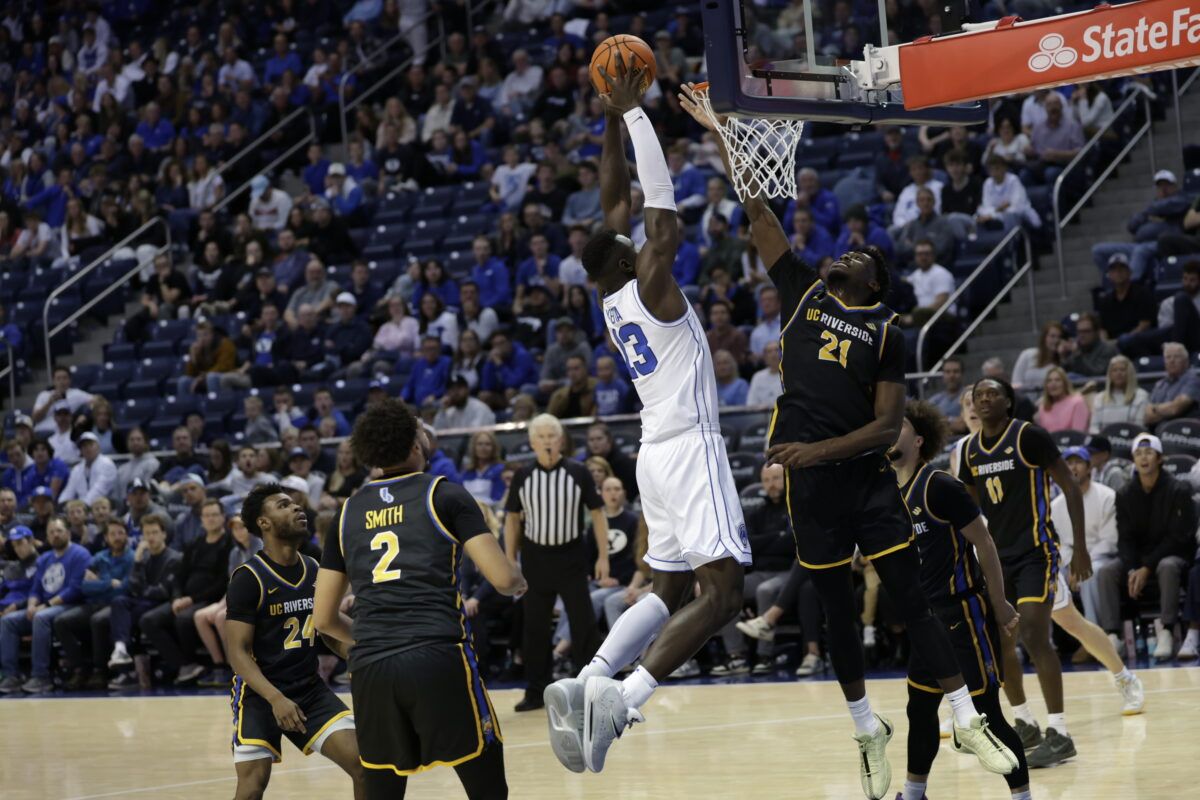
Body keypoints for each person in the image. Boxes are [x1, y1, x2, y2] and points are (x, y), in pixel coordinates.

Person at [681, 81, 1015, 796]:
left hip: (861, 477)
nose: (847, 252)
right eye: (846, 250)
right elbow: (757, 207)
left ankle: (966, 716)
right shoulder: (802, 287)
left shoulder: (889, 330)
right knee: (834, 612)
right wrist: (719, 130)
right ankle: (868, 728)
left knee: (909, 596)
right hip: (812, 488)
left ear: (876, 280)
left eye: (860, 254)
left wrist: (816, 452)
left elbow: (889, 426)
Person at [542, 66, 755, 777]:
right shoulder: (651, 285)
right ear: (630, 258)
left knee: (666, 586)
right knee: (722, 592)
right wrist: (634, 115)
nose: (636, 235)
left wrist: (606, 118)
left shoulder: (608, 301)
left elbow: (611, 203)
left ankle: (591, 676)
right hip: (689, 449)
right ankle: (625, 699)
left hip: (652, 454)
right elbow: (658, 214)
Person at [313, 399, 524, 798]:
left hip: (372, 667)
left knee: (383, 789)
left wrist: (373, 640)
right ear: (415, 443)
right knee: (487, 788)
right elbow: (500, 578)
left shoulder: (346, 513)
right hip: (437, 656)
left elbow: (323, 618)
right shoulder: (445, 495)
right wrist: (517, 579)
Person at [889, 401, 1028, 800]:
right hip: (923, 619)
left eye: (897, 425)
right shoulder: (887, 491)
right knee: (920, 710)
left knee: (985, 715)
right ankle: (914, 795)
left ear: (918, 440)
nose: (888, 431)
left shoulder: (939, 486)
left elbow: (984, 541)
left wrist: (999, 602)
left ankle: (1023, 796)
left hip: (961, 614)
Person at [958, 378, 1093, 766]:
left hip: (1037, 551)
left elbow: (1069, 484)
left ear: (1009, 402)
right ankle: (1024, 721)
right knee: (1002, 642)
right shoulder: (968, 450)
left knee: (1034, 631)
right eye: (977, 395)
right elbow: (968, 512)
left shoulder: (1029, 437)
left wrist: (1079, 546)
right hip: (998, 559)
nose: (983, 399)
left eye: (991, 394)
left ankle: (1060, 731)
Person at [226, 484, 364, 798]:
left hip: (308, 689)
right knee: (251, 787)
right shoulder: (248, 578)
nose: (297, 508)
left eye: (296, 504)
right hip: (260, 695)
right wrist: (276, 699)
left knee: (365, 766)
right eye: (284, 505)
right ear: (264, 522)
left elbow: (326, 631)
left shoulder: (313, 568)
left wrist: (354, 654)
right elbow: (237, 653)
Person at [505, 414, 609, 712]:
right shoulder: (523, 476)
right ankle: (536, 691)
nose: (549, 440)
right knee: (534, 628)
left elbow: (598, 514)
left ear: (562, 439)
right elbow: (512, 520)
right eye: (543, 436)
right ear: (532, 442)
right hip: (536, 558)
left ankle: (591, 688)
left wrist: (602, 556)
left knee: (583, 623)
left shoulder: (578, 472)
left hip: (572, 556)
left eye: (553, 435)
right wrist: (511, 560)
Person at [1102, 433, 1196, 660]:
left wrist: (1146, 567)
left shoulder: (1179, 489)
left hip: (1175, 554)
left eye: (1149, 453)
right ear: (1133, 459)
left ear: (1160, 458)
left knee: (1167, 566)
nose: (1144, 458)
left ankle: (1166, 629)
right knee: (1107, 571)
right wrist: (1133, 568)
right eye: (1138, 453)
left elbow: (1178, 537)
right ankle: (1113, 635)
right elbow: (1125, 538)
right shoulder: (1125, 494)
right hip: (1139, 559)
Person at [141, 499, 232, 686]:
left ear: (223, 517)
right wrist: (176, 597)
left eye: (215, 514)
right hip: (185, 599)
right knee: (148, 620)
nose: (211, 519)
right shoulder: (195, 543)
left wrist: (191, 599)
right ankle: (186, 665)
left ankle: (212, 666)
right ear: (201, 519)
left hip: (210, 598)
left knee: (183, 619)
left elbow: (222, 582)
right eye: (207, 515)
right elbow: (179, 576)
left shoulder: (228, 543)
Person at [0, 517, 90, 693]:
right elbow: (36, 589)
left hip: (72, 605)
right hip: (47, 606)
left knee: (40, 618)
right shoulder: (45, 559)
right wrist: (32, 604)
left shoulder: (80, 554)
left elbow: (75, 589)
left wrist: (45, 605)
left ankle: (41, 676)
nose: (55, 535)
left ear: (68, 533)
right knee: (8, 621)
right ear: (47, 537)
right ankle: (12, 675)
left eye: (59, 531)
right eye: (51, 532)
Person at [55, 519, 134, 690]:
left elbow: (124, 588)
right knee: (62, 621)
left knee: (98, 620)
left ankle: (100, 670)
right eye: (113, 534)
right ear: (106, 537)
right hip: (92, 603)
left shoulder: (132, 558)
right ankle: (80, 668)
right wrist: (108, 583)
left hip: (116, 606)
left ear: (127, 535)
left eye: (121, 533)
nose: (117, 537)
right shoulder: (99, 557)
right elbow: (85, 587)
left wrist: (99, 583)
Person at [106, 515, 183, 689]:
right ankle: (121, 651)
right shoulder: (144, 558)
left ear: (164, 534)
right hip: (145, 602)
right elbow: (133, 586)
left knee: (125, 619)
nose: (150, 537)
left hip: (163, 603)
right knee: (118, 603)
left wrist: (142, 590)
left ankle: (131, 670)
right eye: (147, 533)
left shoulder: (174, 558)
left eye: (155, 532)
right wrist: (138, 561)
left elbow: (163, 592)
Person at [1144, 342, 1200, 429]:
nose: (1172, 360)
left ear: (1186, 361)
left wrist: (1155, 408)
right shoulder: (1160, 384)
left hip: (1183, 434)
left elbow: (1175, 408)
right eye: (1168, 357)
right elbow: (1148, 417)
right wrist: (1167, 410)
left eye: (1176, 357)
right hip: (1159, 432)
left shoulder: (1192, 379)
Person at [1090, 355, 1149, 433]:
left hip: (1129, 441)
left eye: (1122, 370)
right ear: (1110, 374)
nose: (1118, 373)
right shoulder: (1099, 398)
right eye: (1114, 370)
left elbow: (1139, 427)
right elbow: (1093, 427)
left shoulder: (1141, 395)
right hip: (1104, 442)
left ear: (1129, 373)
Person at [58, 432, 118, 505]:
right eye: (84, 446)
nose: (87, 448)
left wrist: (81, 506)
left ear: (98, 447)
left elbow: (99, 490)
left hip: (103, 506)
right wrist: (61, 505)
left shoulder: (107, 464)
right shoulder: (77, 469)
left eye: (90, 444)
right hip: (81, 510)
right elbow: (69, 491)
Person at [1034, 367, 1090, 433]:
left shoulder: (1077, 402)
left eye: (1057, 380)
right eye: (1049, 381)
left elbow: (1078, 434)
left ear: (1065, 383)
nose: (1053, 384)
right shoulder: (1043, 406)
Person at [1012, 321, 1063, 391]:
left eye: (1059, 337)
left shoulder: (1059, 363)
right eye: (1052, 336)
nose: (1056, 340)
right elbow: (1016, 382)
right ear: (1044, 338)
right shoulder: (1027, 354)